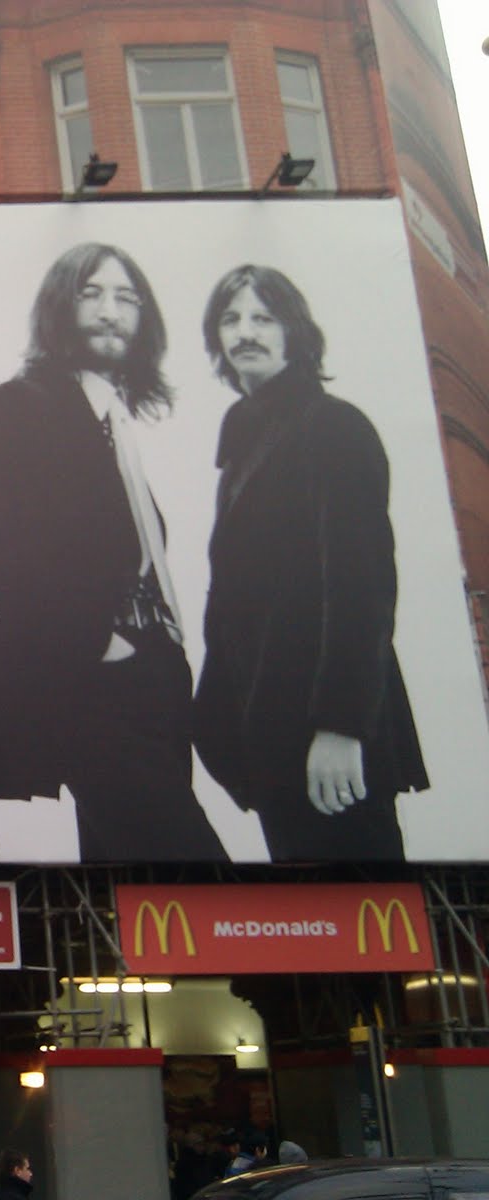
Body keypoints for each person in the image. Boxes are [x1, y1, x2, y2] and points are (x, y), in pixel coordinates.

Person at [0, 242, 226, 860]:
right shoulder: (21, 405)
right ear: (60, 305)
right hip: (90, 675)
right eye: (93, 293)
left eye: (127, 298)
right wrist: (101, 643)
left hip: (154, 673)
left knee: (127, 877)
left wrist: (159, 652)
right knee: (187, 865)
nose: (111, 311)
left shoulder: (115, 422)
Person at [194, 264, 428, 860]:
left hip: (327, 741)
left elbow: (362, 587)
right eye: (231, 318)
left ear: (294, 332)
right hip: (273, 741)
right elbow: (234, 604)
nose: (245, 331)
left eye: (263, 317)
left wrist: (341, 726)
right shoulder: (245, 439)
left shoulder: (333, 426)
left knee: (368, 927)